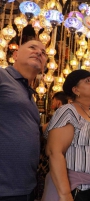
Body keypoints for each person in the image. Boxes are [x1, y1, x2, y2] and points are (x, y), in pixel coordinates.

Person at [42, 69, 90, 201]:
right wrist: (65, 194)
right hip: (75, 189)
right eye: (88, 81)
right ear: (75, 90)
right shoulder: (68, 111)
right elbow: (54, 152)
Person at [0, 40, 47, 200]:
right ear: (15, 54)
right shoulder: (3, 76)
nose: (39, 52)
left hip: (25, 187)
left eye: (44, 52)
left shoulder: (29, 94)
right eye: (32, 47)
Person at [35, 91, 69, 200]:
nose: (51, 104)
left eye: (53, 101)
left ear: (59, 103)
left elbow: (43, 132)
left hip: (49, 162)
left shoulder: (60, 116)